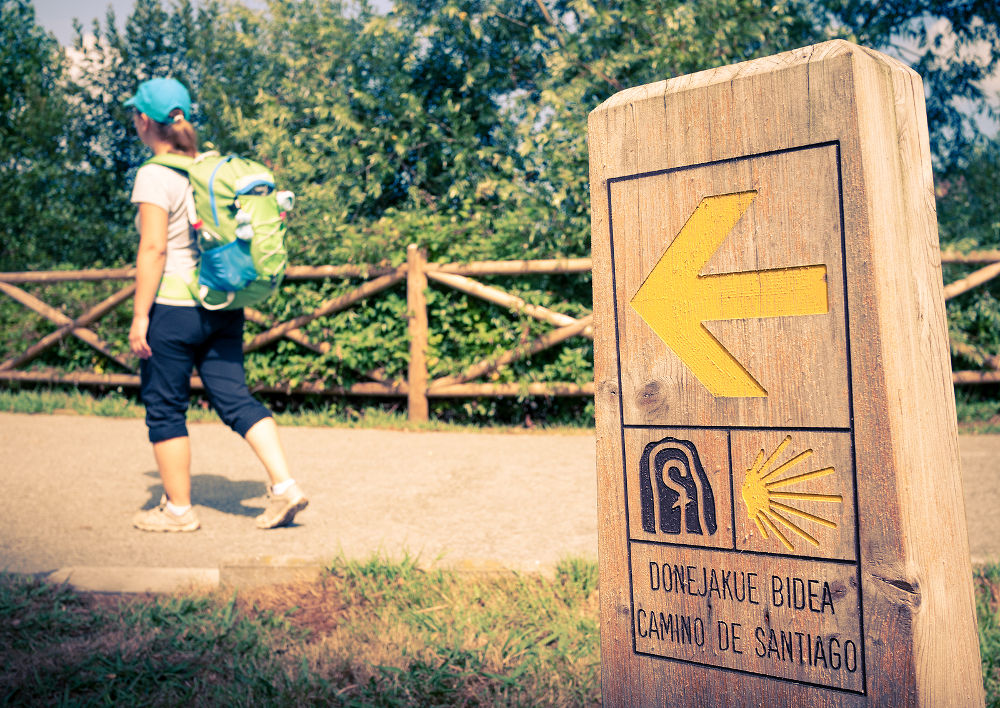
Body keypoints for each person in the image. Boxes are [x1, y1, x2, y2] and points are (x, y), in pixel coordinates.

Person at [125, 77, 308, 532]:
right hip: (222, 302)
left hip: (172, 307)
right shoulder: (210, 168)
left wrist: (140, 316)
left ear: (145, 121)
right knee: (234, 398)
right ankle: (284, 485)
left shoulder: (154, 174)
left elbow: (153, 249)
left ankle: (179, 511)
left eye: (135, 115)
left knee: (165, 407)